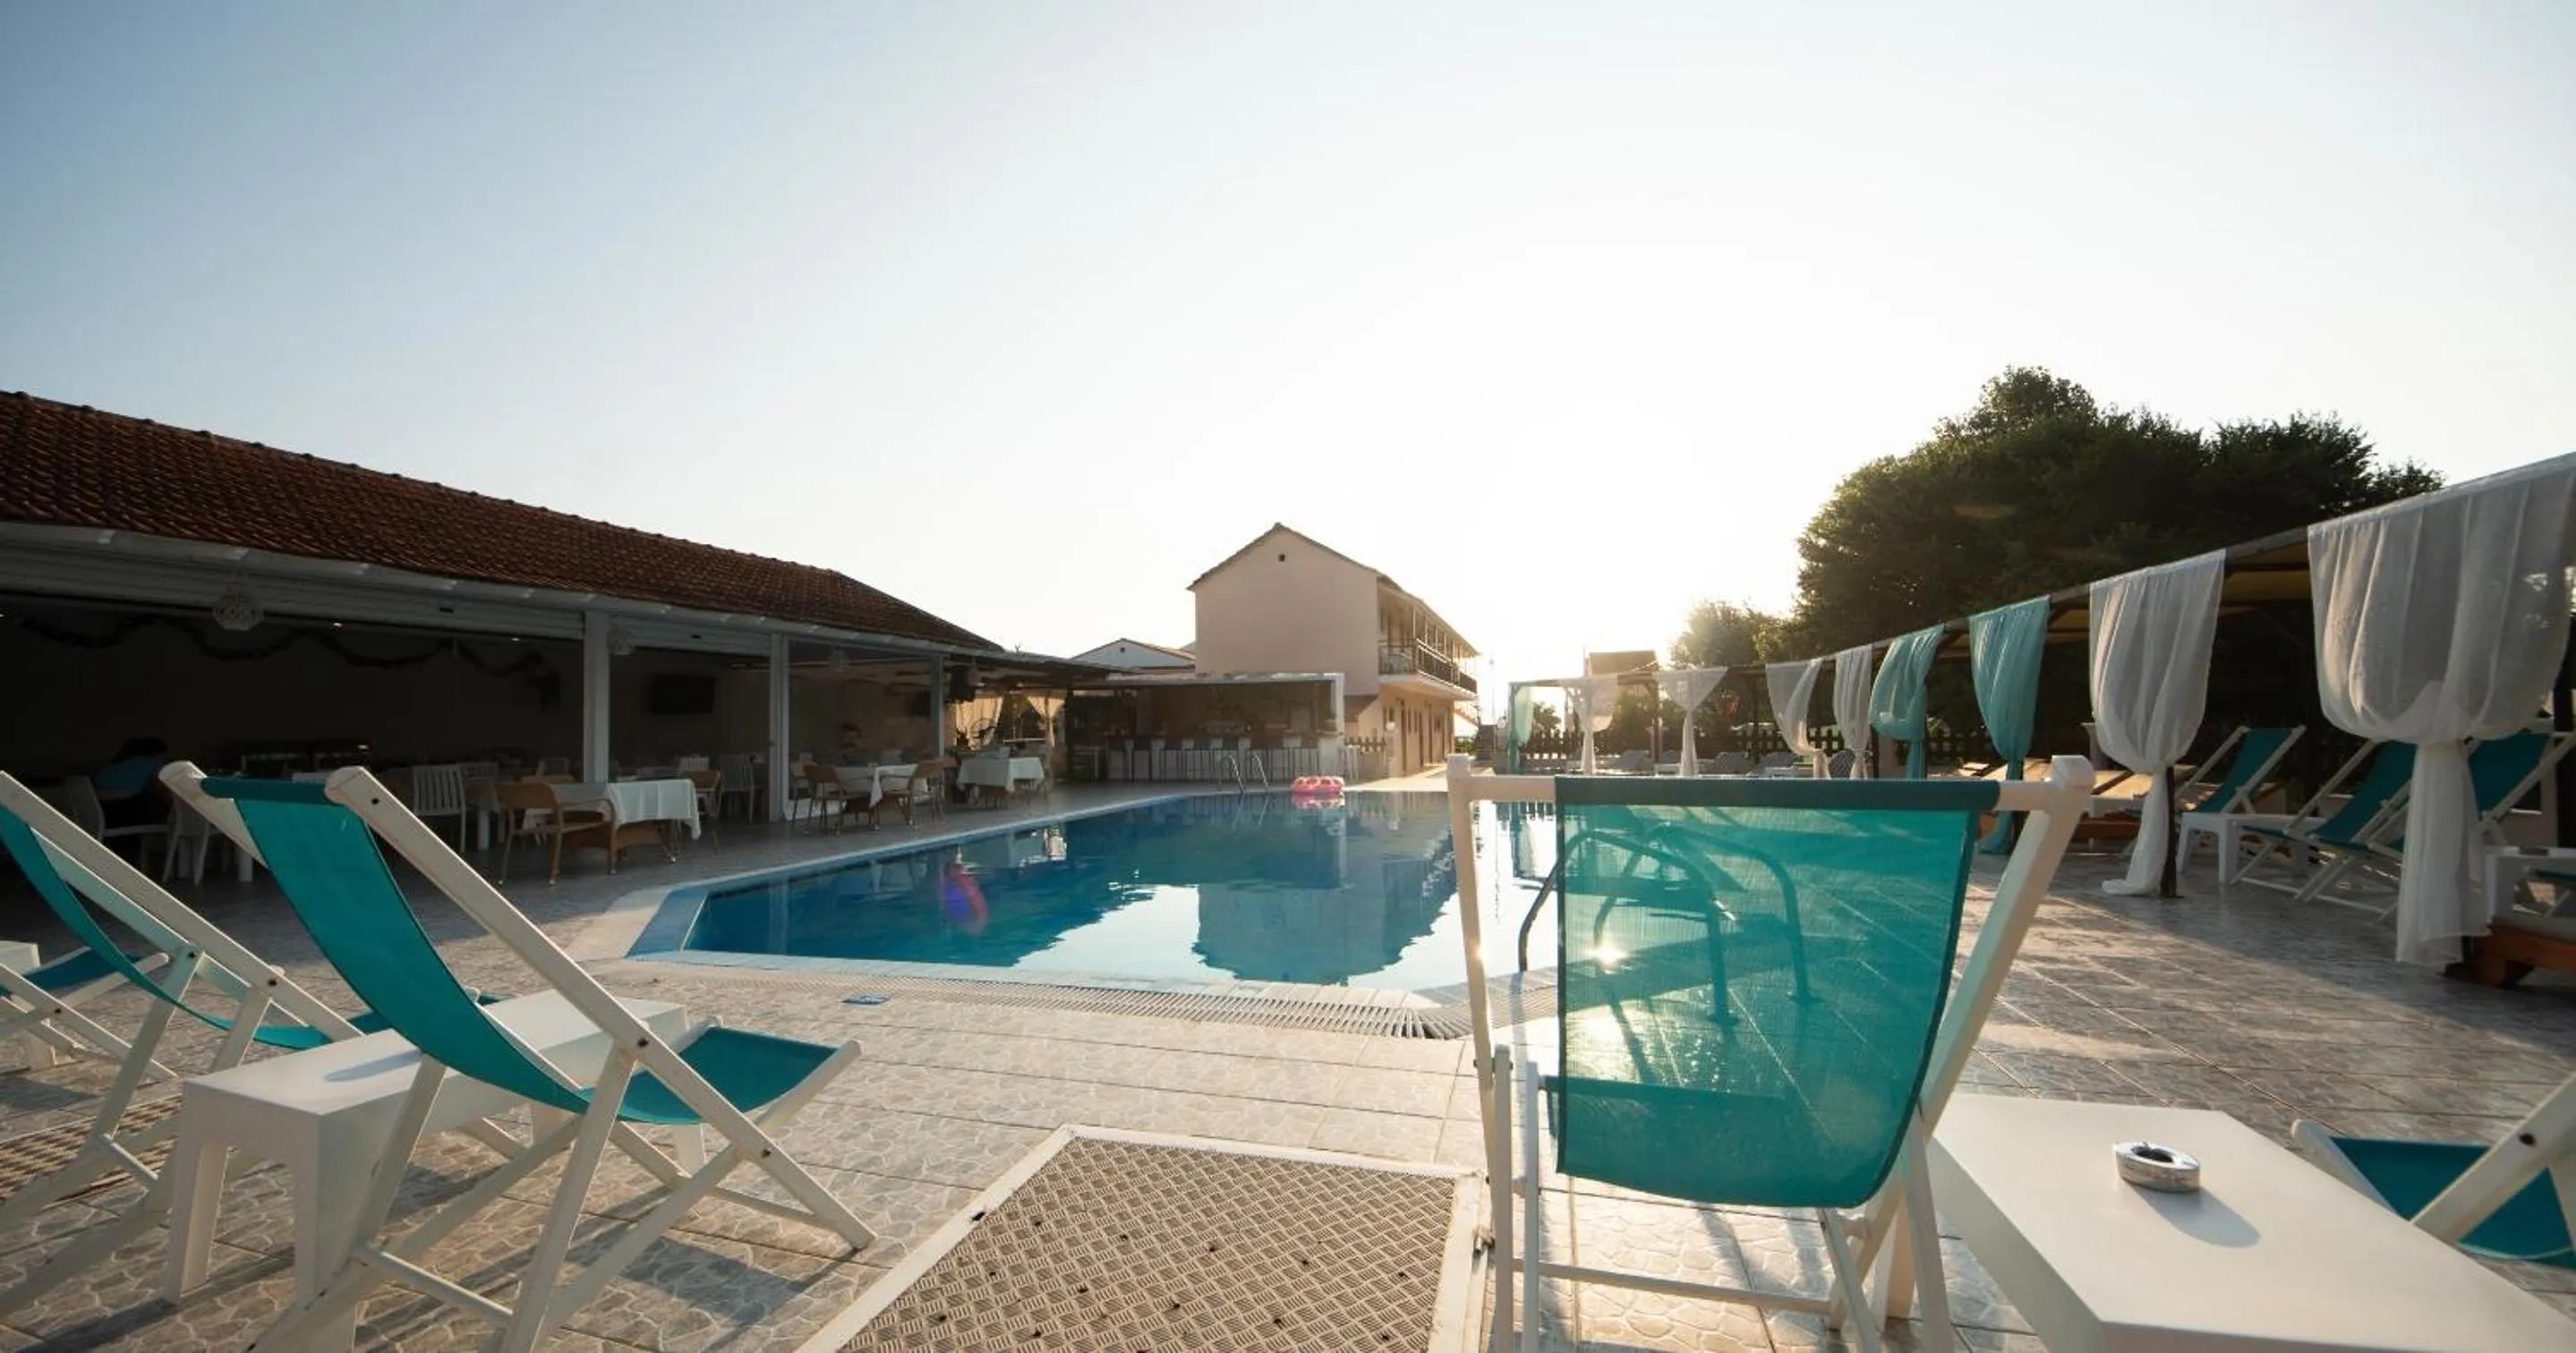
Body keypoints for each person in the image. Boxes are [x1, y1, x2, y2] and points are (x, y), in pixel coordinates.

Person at [92, 736, 171, 830]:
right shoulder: (153, 766)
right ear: (158, 755)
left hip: (97, 817)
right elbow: (166, 790)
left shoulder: (108, 768)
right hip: (126, 815)